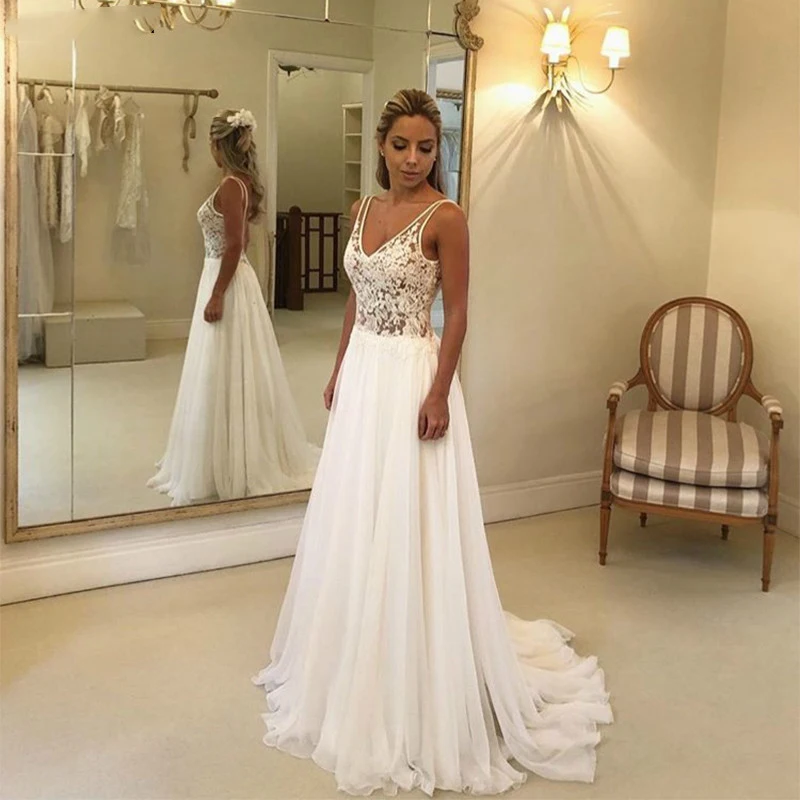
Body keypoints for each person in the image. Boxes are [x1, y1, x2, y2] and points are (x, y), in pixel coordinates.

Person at [252, 89, 612, 795]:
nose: (413, 159)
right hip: (365, 373)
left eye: (425, 147)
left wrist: (440, 390)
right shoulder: (362, 209)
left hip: (411, 376)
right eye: (401, 145)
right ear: (381, 147)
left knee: (407, 515)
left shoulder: (447, 217)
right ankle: (353, 643)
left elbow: (460, 312)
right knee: (356, 510)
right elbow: (356, 299)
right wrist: (338, 368)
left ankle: (412, 653)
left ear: (435, 152)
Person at [148, 109, 319, 506]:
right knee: (224, 368)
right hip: (229, 276)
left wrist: (217, 294)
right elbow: (239, 242)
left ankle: (229, 459)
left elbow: (235, 244)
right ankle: (222, 453)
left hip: (224, 277)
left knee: (221, 367)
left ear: (216, 145)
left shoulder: (230, 185)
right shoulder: (240, 183)